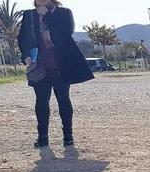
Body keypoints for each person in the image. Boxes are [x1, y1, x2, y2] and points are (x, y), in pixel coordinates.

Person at [17, 0, 93, 148]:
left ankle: (68, 136)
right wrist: (25, 54)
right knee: (41, 102)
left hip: (60, 65)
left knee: (63, 100)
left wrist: (47, 17)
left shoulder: (64, 13)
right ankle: (43, 137)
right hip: (39, 66)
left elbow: (65, 33)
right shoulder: (29, 15)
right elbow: (22, 38)